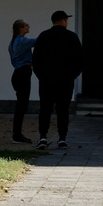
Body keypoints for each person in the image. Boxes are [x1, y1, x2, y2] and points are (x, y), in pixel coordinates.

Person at [31, 10, 83, 149]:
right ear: (64, 21)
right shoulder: (72, 37)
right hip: (65, 80)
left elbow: (35, 60)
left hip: (46, 79)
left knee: (45, 109)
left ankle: (43, 137)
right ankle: (62, 138)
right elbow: (80, 60)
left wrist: (41, 75)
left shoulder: (43, 36)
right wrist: (73, 75)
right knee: (63, 109)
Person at [8, 19, 35, 143]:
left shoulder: (12, 43)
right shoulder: (22, 41)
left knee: (21, 105)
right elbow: (38, 41)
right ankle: (17, 135)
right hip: (23, 73)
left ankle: (17, 134)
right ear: (20, 28)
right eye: (26, 25)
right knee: (21, 107)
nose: (28, 26)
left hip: (18, 74)